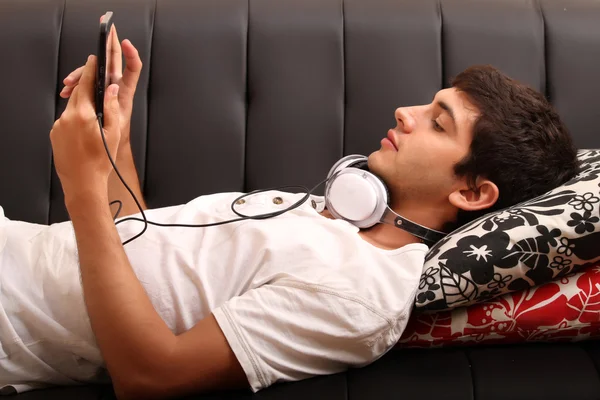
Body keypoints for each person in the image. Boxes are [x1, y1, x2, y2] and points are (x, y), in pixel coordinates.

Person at [0, 24, 579, 399]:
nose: (406, 112)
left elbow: (153, 374)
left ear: (473, 194)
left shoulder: (363, 294)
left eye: (438, 122)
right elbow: (135, 243)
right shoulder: (334, 216)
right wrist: (114, 138)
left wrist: (81, 187)